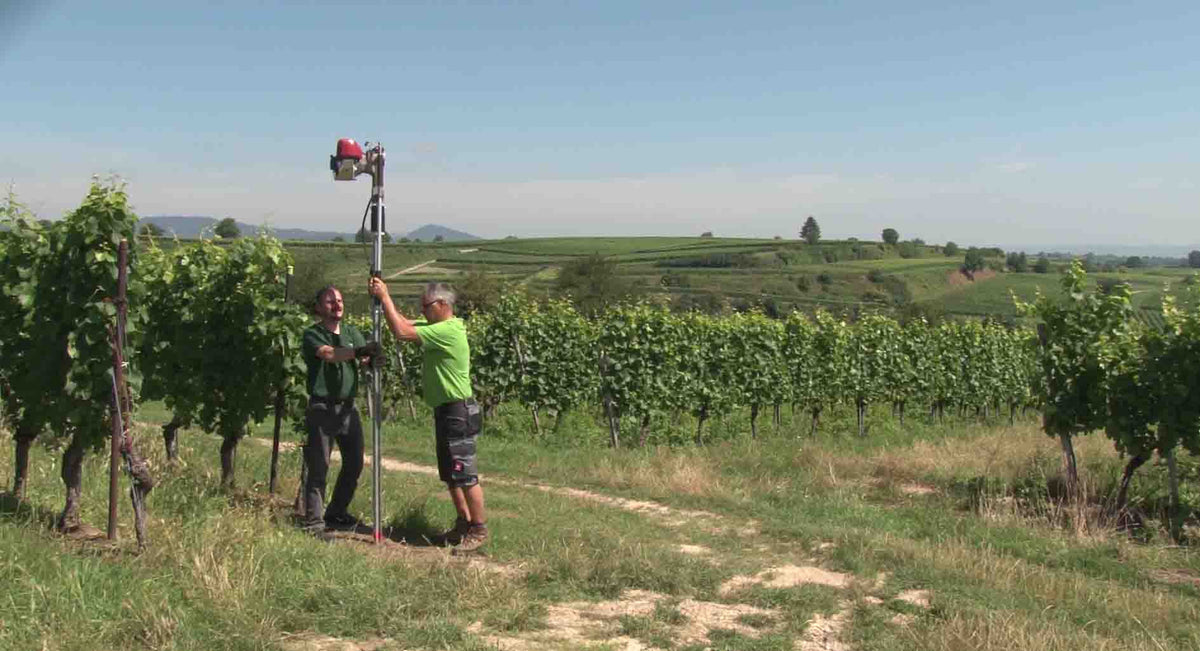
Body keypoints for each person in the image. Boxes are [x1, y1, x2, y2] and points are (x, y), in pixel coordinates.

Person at [367, 277, 487, 552]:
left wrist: (385, 296)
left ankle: (479, 529)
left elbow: (401, 332)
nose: (422, 312)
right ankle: (463, 523)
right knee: (450, 473)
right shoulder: (436, 326)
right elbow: (404, 322)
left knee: (465, 474)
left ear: (443, 305)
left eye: (426, 306)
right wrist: (383, 301)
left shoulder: (448, 330)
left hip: (458, 410)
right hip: (446, 409)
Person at [301, 285, 379, 538]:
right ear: (318, 307)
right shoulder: (313, 334)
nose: (337, 304)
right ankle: (314, 522)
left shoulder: (350, 332)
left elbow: (362, 357)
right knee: (319, 465)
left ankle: (336, 511)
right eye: (330, 301)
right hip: (323, 407)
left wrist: (372, 357)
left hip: (348, 407)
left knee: (354, 462)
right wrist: (358, 351)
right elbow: (329, 355)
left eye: (340, 300)